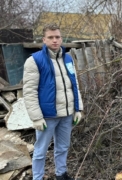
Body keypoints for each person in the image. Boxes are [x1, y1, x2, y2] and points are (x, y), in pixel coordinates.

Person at [23, 23, 84, 180]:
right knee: (40, 150)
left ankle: (61, 174)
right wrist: (36, 117)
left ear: (61, 38)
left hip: (67, 113)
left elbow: (74, 85)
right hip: (47, 116)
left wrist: (78, 108)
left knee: (63, 147)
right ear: (44, 39)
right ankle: (37, 177)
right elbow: (29, 92)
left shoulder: (68, 59)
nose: (55, 40)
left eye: (57, 37)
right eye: (51, 37)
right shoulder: (34, 61)